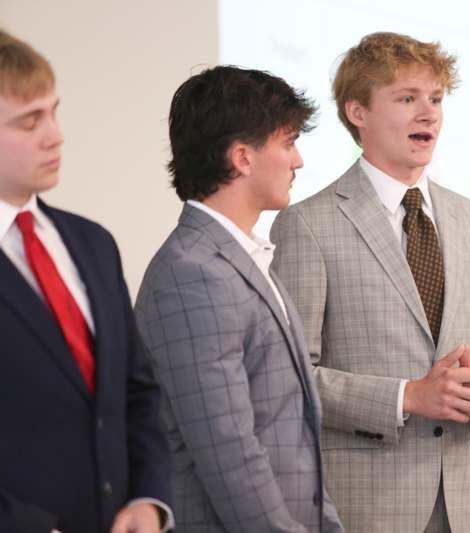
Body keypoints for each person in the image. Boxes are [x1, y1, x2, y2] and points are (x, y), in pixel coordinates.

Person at [270, 32, 470, 533]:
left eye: (435, 99)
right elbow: (291, 379)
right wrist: (408, 396)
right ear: (357, 112)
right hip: (362, 509)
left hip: (459, 504)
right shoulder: (308, 225)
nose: (428, 114)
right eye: (407, 98)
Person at [134, 66, 344, 533]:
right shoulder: (193, 273)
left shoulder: (244, 259)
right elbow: (228, 451)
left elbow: (296, 436)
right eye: (288, 143)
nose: (299, 161)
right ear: (243, 157)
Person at [0, 30, 172, 533]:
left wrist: (149, 499)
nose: (55, 135)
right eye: (30, 121)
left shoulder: (93, 243)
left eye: (53, 111)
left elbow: (138, 392)